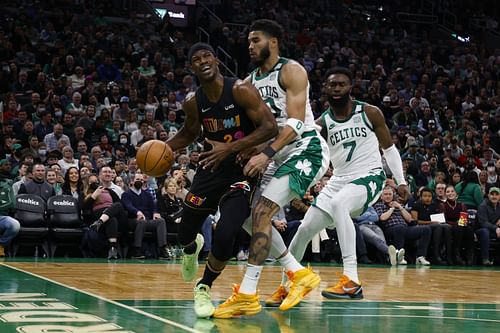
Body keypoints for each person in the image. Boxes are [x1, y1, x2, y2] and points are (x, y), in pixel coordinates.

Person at [263, 66, 410, 306]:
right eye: (332, 85)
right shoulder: (322, 123)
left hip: (369, 176)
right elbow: (301, 143)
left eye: (341, 84)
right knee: (302, 232)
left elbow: (389, 148)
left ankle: (351, 279)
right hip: (338, 181)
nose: (337, 88)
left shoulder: (370, 112)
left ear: (350, 87)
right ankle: (287, 286)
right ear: (325, 89)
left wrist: (401, 180)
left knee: (341, 203)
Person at [215, 19, 331, 318]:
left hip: (306, 148)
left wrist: (265, 153)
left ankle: (248, 293)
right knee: (244, 213)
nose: (250, 46)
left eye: (255, 40)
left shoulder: (291, 70)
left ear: (274, 41)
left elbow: (293, 122)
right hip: (276, 155)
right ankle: (298, 272)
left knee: (263, 210)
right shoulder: (249, 82)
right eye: (249, 41)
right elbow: (257, 127)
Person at [165, 42, 278, 318]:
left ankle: (204, 287)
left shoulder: (239, 89)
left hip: (242, 171)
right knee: (183, 234)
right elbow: (190, 132)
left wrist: (230, 148)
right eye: (196, 59)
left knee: (227, 232)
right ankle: (192, 248)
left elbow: (270, 127)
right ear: (191, 68)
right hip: (209, 169)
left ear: (216, 61)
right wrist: (163, 147)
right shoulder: (194, 102)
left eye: (207, 56)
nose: (202, 61)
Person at [374, 186, 431, 265]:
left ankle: (420, 257)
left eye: (390, 194)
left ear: (393, 195)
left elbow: (409, 219)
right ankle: (399, 256)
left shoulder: (399, 205)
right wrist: (392, 209)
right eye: (385, 194)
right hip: (389, 230)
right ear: (382, 196)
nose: (388, 196)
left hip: (404, 228)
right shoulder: (379, 205)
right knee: (399, 228)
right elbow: (382, 218)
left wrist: (400, 207)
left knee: (426, 229)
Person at [121, 173, 170, 259]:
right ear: (132, 181)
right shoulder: (126, 194)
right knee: (141, 222)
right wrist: (138, 212)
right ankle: (137, 249)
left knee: (160, 221)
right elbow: (128, 206)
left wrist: (155, 212)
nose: (140, 181)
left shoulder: (147, 194)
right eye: (137, 179)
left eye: (141, 180)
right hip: (132, 219)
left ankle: (162, 249)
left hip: (147, 219)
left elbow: (153, 206)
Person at [411, 187, 452, 265]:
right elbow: (415, 221)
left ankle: (448, 256)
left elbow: (437, 218)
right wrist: (430, 222)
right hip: (421, 227)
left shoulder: (434, 205)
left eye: (429, 196)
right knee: (438, 227)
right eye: (425, 196)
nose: (427, 198)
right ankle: (435, 255)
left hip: (433, 225)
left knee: (447, 227)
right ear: (421, 197)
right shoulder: (416, 205)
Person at [437, 185, 474, 265]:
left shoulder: (462, 205)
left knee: (469, 229)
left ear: (456, 193)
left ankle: (469, 255)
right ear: (445, 194)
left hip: (461, 225)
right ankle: (456, 255)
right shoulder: (442, 205)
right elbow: (443, 220)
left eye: (452, 191)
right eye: (448, 192)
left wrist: (462, 222)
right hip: (449, 226)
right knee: (459, 228)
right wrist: (456, 223)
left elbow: (464, 219)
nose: (450, 193)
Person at [475, 187, 500, 265]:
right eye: (492, 194)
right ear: (488, 195)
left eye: (496, 194)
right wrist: (496, 228)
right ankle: (485, 259)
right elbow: (483, 223)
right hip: (480, 231)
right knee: (485, 232)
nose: (494, 196)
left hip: (494, 230)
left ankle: (497, 259)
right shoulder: (483, 206)